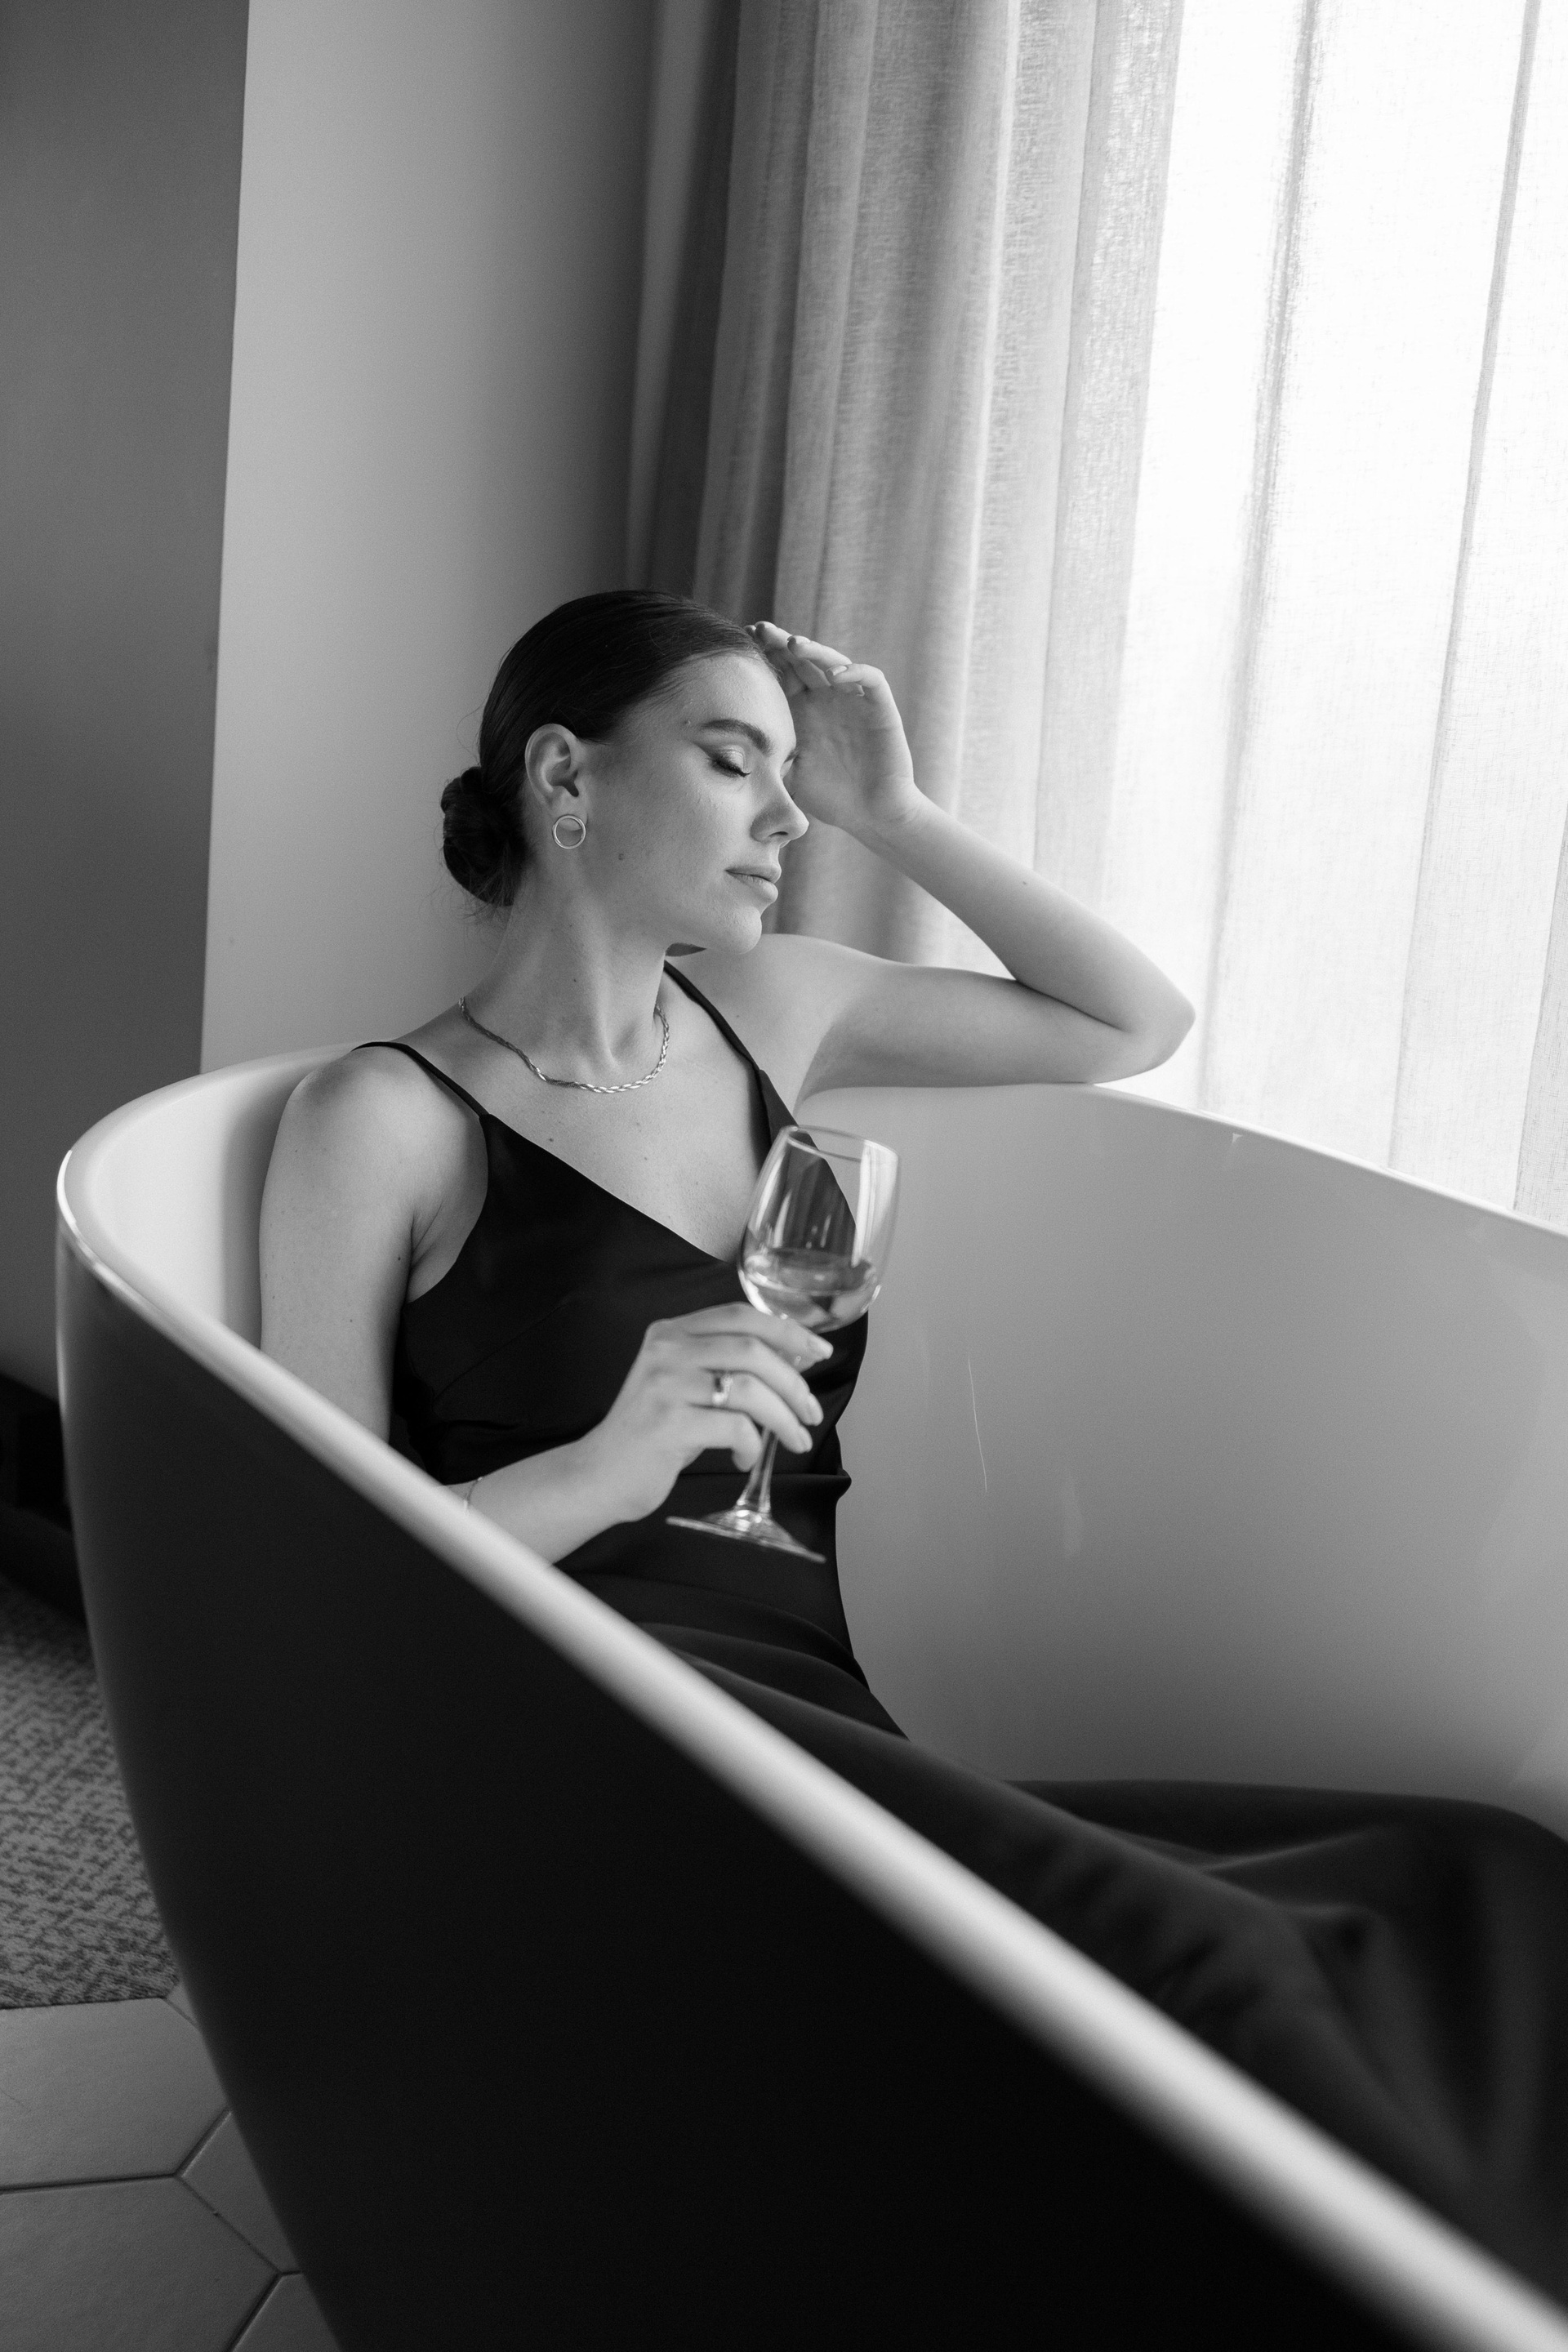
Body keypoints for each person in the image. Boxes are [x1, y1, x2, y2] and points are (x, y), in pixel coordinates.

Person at [260, 589, 1568, 2298]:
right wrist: (603, 1465)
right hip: (588, 1728)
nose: (786, 817)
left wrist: (899, 810)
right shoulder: (378, 1118)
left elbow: (1130, 1020)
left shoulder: (774, 1011)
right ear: (565, 778)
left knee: (1468, 1888)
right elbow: (299, 1590)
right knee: (1219, 1991)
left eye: (789, 775)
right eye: (734, 763)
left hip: (818, 1705)